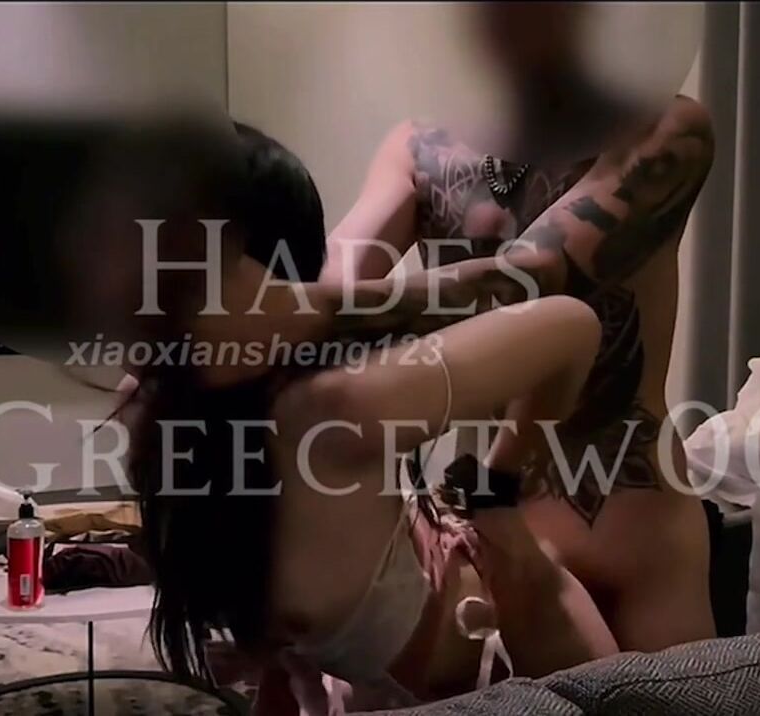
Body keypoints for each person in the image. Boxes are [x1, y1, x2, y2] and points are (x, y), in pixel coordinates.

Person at [96, 123, 619, 713]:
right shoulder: (151, 408)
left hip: (525, 650)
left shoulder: (340, 410)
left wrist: (497, 486)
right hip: (387, 677)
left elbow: (573, 326)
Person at [321, 91, 717, 652]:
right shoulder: (419, 147)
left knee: (690, 691)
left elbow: (533, 275)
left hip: (638, 533)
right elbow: (340, 267)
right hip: (497, 521)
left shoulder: (662, 126)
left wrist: (298, 313)